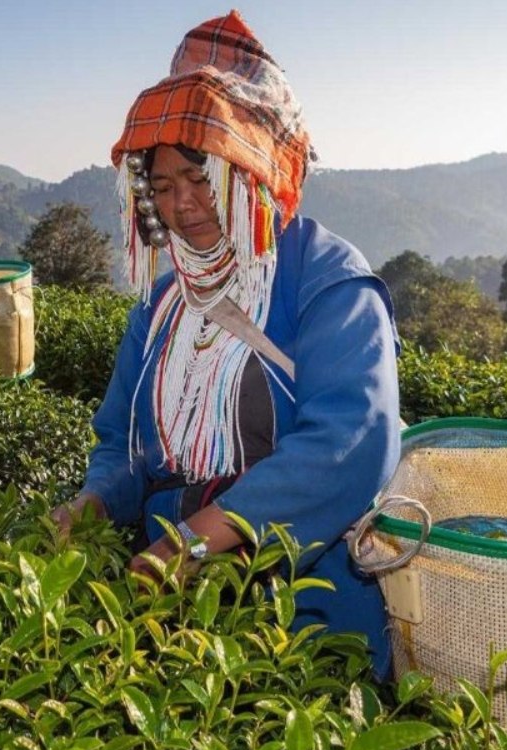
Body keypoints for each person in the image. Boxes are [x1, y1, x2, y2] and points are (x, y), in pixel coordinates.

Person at [51, 11, 400, 679]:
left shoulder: (324, 279)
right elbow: (123, 447)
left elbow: (349, 441)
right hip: (169, 602)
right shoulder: (161, 306)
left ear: (249, 172)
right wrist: (92, 504)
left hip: (304, 612)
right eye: (162, 186)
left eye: (198, 178)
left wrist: (206, 538)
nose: (182, 205)